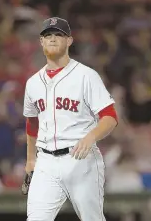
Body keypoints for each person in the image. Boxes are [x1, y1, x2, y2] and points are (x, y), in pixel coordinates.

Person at [23, 17, 118, 221]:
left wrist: (91, 136)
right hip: (46, 162)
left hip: (80, 160)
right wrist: (31, 159)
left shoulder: (86, 76)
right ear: (41, 42)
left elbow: (110, 117)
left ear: (69, 41)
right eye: (48, 35)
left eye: (59, 35)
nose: (53, 39)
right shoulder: (32, 83)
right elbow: (32, 123)